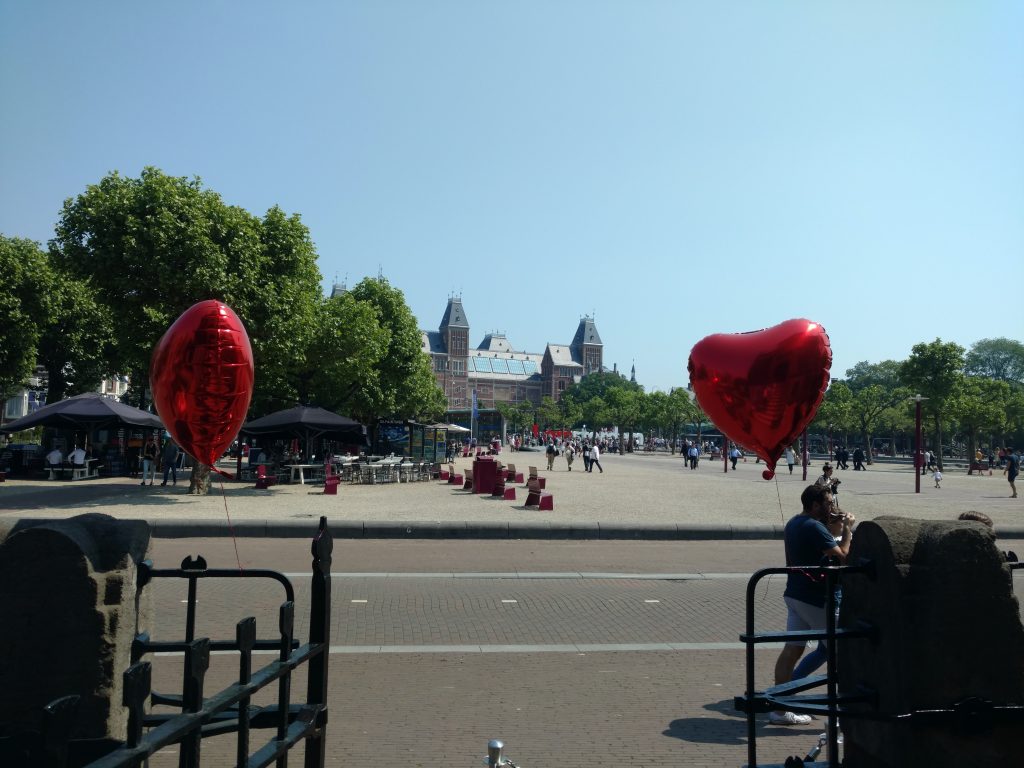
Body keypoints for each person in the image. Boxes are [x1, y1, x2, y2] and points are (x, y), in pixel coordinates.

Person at [771, 484, 855, 725]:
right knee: (842, 652)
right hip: (817, 598)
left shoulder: (795, 523)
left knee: (792, 650)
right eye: (828, 503)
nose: (831, 506)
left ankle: (779, 709)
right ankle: (841, 713)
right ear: (815, 505)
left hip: (795, 594)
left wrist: (833, 525)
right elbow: (844, 556)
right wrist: (847, 529)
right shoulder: (815, 527)